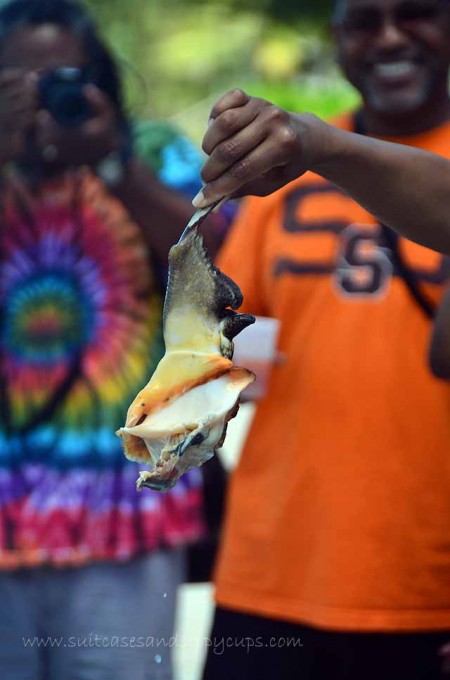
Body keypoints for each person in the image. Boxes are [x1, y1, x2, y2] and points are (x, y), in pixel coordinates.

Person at [200, 1, 450, 678]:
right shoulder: (276, 161)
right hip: (272, 573)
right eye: (365, 21)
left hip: (424, 592)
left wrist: (316, 144)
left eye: (418, 13)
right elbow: (229, 335)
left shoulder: (298, 146)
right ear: (338, 40)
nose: (391, 36)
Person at [0, 1, 229, 679]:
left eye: (62, 78)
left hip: (123, 506)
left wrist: (111, 163)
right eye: (17, 81)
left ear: (99, 78)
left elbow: (221, 270)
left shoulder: (152, 154)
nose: (44, 99)